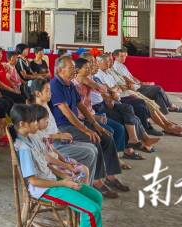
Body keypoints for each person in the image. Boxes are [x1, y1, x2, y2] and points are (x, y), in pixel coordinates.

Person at [11, 103, 104, 227]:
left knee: (97, 197)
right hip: (44, 190)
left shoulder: (33, 137)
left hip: (54, 180)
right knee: (92, 210)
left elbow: (46, 164)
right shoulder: (24, 148)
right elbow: (34, 181)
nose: (37, 124)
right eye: (33, 121)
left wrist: (63, 175)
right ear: (22, 124)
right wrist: (63, 183)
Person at [50, 56, 127, 199]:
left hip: (75, 123)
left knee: (106, 136)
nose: (74, 70)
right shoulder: (55, 84)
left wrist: (96, 125)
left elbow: (81, 106)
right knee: (94, 139)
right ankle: (97, 181)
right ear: (60, 70)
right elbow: (67, 113)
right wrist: (86, 130)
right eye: (71, 68)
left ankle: (110, 175)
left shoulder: (69, 84)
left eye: (74, 68)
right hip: (63, 127)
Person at [29, 79, 99, 187]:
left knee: (93, 148)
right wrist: (59, 136)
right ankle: (81, 183)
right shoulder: (36, 113)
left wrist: (62, 134)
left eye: (50, 90)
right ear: (38, 94)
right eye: (47, 90)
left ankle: (87, 183)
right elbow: (40, 138)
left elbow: (53, 128)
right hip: (53, 147)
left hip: (55, 146)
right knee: (89, 152)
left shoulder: (45, 106)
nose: (51, 93)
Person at [91, 55, 159, 154]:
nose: (109, 63)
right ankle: (132, 146)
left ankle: (141, 140)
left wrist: (113, 91)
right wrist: (113, 92)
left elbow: (115, 87)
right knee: (127, 113)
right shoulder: (95, 76)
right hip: (103, 105)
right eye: (106, 61)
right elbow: (107, 91)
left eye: (109, 61)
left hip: (114, 98)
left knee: (135, 111)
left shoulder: (100, 75)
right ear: (98, 62)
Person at [113, 49, 182, 114]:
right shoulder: (116, 67)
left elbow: (132, 77)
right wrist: (141, 84)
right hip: (134, 90)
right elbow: (126, 80)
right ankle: (171, 106)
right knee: (158, 88)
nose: (124, 58)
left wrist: (142, 83)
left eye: (124, 56)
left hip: (138, 86)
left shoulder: (122, 66)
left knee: (158, 95)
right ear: (115, 57)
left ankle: (163, 115)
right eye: (121, 56)